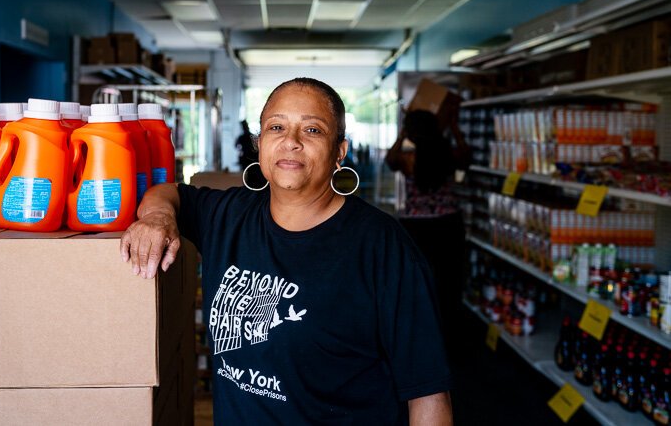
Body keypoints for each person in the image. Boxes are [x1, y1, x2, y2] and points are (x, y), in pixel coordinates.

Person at [121, 78, 453, 425]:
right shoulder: (226, 216)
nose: (291, 142)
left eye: (312, 130)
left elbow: (428, 393)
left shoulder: (383, 247)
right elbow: (168, 191)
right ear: (260, 142)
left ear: (339, 151)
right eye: (276, 127)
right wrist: (159, 216)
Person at [384, 107, 471, 338]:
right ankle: (449, 329)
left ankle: (420, 329)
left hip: (416, 225)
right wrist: (453, 128)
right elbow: (465, 157)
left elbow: (390, 160)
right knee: (450, 277)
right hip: (448, 223)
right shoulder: (446, 153)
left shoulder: (409, 158)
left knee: (417, 277)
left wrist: (402, 134)